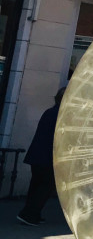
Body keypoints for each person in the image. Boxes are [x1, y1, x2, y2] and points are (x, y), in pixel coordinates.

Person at [16, 88, 65, 227]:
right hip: (47, 157)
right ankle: (29, 214)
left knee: (36, 184)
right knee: (46, 186)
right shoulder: (61, 115)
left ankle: (32, 214)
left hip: (37, 155)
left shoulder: (50, 112)